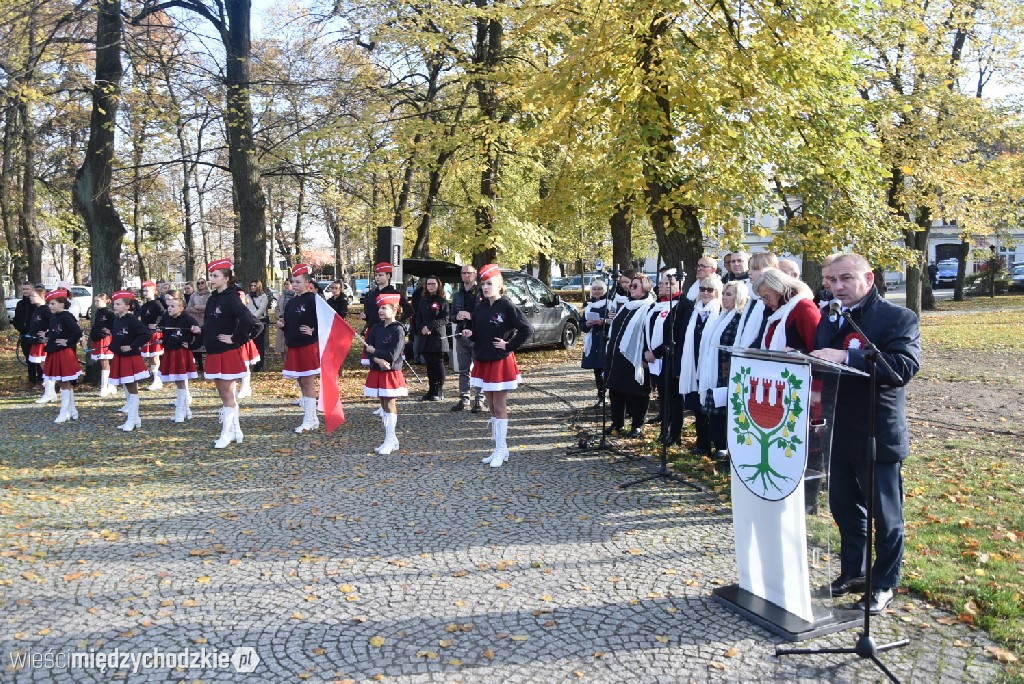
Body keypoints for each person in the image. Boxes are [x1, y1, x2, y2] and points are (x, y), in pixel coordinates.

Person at [810, 252, 921, 615]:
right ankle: (853, 573)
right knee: (843, 508)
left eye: (845, 279)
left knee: (886, 517)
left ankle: (885, 584)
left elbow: (902, 368)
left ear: (869, 278)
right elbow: (822, 361)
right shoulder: (830, 316)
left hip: (877, 432)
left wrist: (846, 357)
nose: (837, 287)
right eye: (831, 280)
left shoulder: (897, 317)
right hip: (838, 429)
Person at [464, 264, 533, 468]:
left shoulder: (507, 305)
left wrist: (509, 346)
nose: (485, 288)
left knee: (499, 406)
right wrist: (470, 333)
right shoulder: (481, 307)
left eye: (490, 284)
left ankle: (502, 449)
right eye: (483, 284)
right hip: (484, 359)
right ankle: (498, 448)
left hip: (500, 361)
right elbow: (478, 331)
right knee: (491, 406)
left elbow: (526, 329)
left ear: (500, 286)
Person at [203, 259, 255, 449]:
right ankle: (236, 431)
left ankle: (226, 434)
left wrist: (236, 338)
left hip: (227, 351)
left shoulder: (232, 297)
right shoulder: (212, 297)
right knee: (223, 393)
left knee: (227, 394)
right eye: (211, 276)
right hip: (214, 350)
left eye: (215, 276)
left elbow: (247, 318)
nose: (212, 279)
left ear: (226, 278)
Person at [697, 280, 749, 461]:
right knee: (715, 410)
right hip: (714, 368)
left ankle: (724, 447)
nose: (725, 298)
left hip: (727, 370)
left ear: (739, 297)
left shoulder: (739, 317)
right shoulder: (722, 315)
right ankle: (717, 444)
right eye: (725, 293)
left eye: (729, 294)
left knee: (724, 409)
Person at [603, 274, 655, 438]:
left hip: (636, 357)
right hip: (617, 355)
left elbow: (651, 333)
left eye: (635, 286)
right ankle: (617, 422)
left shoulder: (649, 307)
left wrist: (646, 355)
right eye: (631, 286)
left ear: (645, 287)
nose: (631, 288)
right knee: (616, 390)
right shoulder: (626, 305)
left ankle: (637, 424)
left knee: (637, 392)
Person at [644, 269, 693, 445]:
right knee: (663, 397)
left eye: (670, 283)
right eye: (664, 283)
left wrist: (656, 352)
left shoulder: (683, 305)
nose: (666, 286)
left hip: (671, 358)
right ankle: (664, 428)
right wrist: (646, 351)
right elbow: (648, 329)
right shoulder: (657, 304)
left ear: (680, 284)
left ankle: (675, 433)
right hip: (655, 360)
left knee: (674, 398)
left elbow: (677, 336)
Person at [679, 274, 722, 454]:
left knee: (713, 408)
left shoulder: (720, 311)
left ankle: (719, 445)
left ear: (717, 292)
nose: (705, 293)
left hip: (712, 365)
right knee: (698, 406)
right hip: (694, 362)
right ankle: (702, 443)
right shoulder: (695, 310)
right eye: (702, 289)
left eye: (709, 290)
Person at [363, 292, 408, 455]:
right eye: (379, 308)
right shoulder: (376, 328)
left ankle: (390, 439)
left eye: (384, 308)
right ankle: (391, 439)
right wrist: (377, 359)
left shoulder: (398, 330)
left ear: (395, 309)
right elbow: (366, 349)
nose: (380, 311)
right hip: (378, 369)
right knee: (382, 404)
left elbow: (393, 355)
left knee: (389, 404)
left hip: (391, 371)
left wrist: (376, 352)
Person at [279, 264, 321, 433]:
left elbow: (325, 320)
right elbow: (290, 322)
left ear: (307, 282)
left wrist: (314, 331)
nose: (294, 284)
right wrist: (283, 326)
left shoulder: (312, 299)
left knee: (307, 382)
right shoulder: (291, 302)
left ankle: (309, 419)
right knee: (300, 381)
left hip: (308, 346)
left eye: (298, 281)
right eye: (292, 281)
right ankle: (312, 417)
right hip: (294, 345)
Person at [107, 290, 152, 432]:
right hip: (120, 357)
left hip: (130, 358)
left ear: (127, 307)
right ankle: (135, 419)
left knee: (132, 389)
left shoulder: (131, 320)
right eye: (114, 303)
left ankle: (131, 420)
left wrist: (132, 345)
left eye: (118, 304)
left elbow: (146, 335)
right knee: (126, 387)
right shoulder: (117, 320)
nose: (115, 306)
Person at [158, 291, 201, 422]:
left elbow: (199, 333)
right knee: (177, 381)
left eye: (173, 306)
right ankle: (186, 410)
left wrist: (192, 345)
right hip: (170, 351)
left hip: (181, 353)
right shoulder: (167, 317)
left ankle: (180, 412)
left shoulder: (187, 319)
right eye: (169, 306)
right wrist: (162, 341)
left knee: (181, 380)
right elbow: (165, 333)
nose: (169, 308)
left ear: (181, 308)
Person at [41, 290, 83, 424]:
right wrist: (47, 337)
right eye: (49, 304)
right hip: (54, 351)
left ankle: (63, 412)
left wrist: (68, 342)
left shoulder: (66, 316)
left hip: (63, 353)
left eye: (52, 303)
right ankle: (72, 410)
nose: (50, 306)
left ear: (62, 304)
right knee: (63, 382)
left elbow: (77, 331)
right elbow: (56, 332)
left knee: (64, 381)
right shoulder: (55, 317)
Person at [359, 262, 411, 368]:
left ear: (388, 276)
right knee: (373, 362)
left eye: (380, 275)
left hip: (389, 331)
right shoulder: (370, 294)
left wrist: (395, 320)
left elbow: (409, 310)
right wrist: (366, 317)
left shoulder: (394, 293)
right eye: (376, 275)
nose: (377, 277)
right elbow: (370, 314)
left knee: (390, 361)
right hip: (374, 331)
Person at [754, 268, 820, 352]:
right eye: (762, 298)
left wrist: (796, 353)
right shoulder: (777, 313)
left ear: (780, 290)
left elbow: (817, 348)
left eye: (767, 297)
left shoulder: (804, 307)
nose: (765, 302)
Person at [450, 264, 484, 413]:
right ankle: (464, 400)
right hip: (461, 336)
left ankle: (479, 399)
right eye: (463, 273)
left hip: (477, 337)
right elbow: (450, 315)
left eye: (468, 273)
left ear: (475, 274)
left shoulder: (482, 292)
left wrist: (472, 316)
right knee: (463, 370)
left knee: (479, 368)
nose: (466, 276)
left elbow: (486, 314)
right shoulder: (457, 294)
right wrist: (456, 317)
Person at [415, 275, 450, 401]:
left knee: (437, 363)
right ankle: (431, 389)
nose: (430, 286)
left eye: (433, 284)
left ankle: (439, 389)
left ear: (438, 285)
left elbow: (445, 318)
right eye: (428, 284)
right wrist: (421, 328)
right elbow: (418, 317)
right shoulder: (423, 300)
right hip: (425, 337)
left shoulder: (442, 301)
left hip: (437, 336)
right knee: (429, 364)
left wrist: (430, 326)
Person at [736, 251, 779, 347]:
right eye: (749, 268)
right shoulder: (752, 298)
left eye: (755, 269)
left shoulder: (772, 300)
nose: (749, 272)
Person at [580, 279, 611, 406]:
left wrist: (603, 321)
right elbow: (582, 323)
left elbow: (613, 320)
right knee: (597, 370)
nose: (597, 291)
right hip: (593, 340)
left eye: (599, 289)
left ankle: (609, 393)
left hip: (605, 339)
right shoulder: (588, 305)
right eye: (594, 289)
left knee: (606, 367)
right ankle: (601, 395)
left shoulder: (609, 303)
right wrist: (586, 323)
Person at [27, 286, 56, 404]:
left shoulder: (46, 309)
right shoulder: (37, 309)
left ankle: (49, 393)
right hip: (36, 341)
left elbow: (54, 323)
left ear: (42, 297)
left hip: (43, 342)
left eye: (33, 296)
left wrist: (47, 333)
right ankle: (51, 393)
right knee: (42, 366)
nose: (31, 298)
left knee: (46, 366)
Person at [138, 280, 167, 390]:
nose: (145, 293)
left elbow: (164, 314)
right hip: (146, 333)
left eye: (147, 291)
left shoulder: (157, 303)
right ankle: (155, 378)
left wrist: (157, 324)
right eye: (144, 291)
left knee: (154, 356)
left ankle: (158, 380)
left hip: (155, 333)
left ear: (154, 291)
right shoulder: (145, 305)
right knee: (150, 357)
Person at [13, 282, 41, 389]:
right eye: (23, 289)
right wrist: (20, 328)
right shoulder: (20, 304)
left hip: (35, 336)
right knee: (29, 359)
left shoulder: (36, 304)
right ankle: (32, 380)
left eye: (27, 289)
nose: (25, 291)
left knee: (38, 359)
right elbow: (16, 320)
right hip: (24, 335)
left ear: (32, 289)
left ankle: (40, 380)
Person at [90, 293, 117, 397]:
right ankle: (110, 385)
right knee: (102, 362)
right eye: (95, 301)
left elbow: (115, 324)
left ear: (105, 301)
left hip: (105, 339)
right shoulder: (98, 312)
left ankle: (105, 386)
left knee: (104, 361)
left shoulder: (109, 312)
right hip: (98, 338)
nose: (96, 303)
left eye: (98, 301)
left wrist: (110, 331)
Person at [186, 278, 210, 372]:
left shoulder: (210, 295)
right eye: (198, 283)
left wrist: (199, 307)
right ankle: (199, 364)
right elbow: (189, 308)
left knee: (207, 342)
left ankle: (208, 364)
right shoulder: (193, 295)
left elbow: (210, 307)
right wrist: (198, 310)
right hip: (196, 320)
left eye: (202, 283)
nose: (200, 284)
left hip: (207, 320)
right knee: (197, 343)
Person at [247, 279, 270, 372]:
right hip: (249, 322)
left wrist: (253, 318)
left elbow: (261, 310)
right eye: (251, 286)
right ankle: (253, 362)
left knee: (260, 344)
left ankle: (260, 365)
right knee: (252, 343)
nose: (253, 287)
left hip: (260, 322)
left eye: (254, 286)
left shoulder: (263, 297)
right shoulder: (247, 296)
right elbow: (245, 308)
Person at [275, 285, 296, 362]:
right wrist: (279, 316)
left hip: (291, 323)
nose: (286, 286)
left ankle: (292, 362)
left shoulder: (296, 296)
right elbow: (277, 308)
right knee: (281, 345)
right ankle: (285, 362)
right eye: (285, 284)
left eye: (288, 284)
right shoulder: (281, 296)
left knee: (290, 344)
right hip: (281, 322)